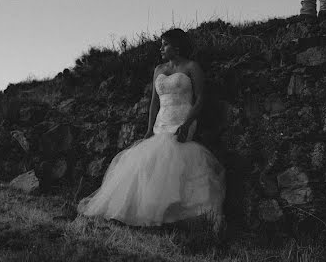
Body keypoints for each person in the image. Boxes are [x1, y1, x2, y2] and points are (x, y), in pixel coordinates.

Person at [77, 28, 225, 227]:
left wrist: (187, 123)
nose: (161, 48)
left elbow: (200, 99)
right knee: (149, 158)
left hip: (183, 119)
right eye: (161, 44)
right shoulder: (159, 70)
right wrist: (149, 129)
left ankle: (175, 213)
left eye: (165, 44)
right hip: (161, 121)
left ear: (177, 46)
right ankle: (146, 210)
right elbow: (154, 103)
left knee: (173, 154)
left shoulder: (192, 67)